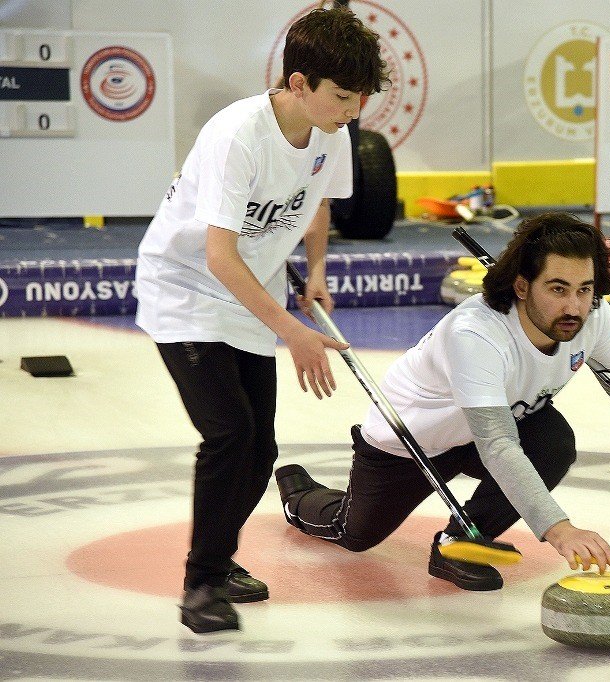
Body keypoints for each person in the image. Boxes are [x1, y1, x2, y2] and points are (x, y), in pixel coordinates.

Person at [274, 212, 610, 591]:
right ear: (521, 286)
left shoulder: (589, 317)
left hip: (491, 430)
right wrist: (560, 529)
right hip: (409, 441)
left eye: (585, 289)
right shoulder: (476, 332)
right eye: (558, 289)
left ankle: (457, 544)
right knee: (355, 535)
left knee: (552, 440)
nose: (574, 306)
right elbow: (496, 444)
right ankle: (300, 492)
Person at [134, 7, 388, 633]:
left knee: (260, 449)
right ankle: (200, 584)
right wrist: (295, 334)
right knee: (228, 437)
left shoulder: (330, 130)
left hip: (251, 290)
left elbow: (317, 200)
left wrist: (318, 271)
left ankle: (218, 565)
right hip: (187, 290)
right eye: (341, 96)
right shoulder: (237, 135)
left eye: (360, 97)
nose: (353, 109)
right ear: (299, 84)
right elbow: (219, 255)